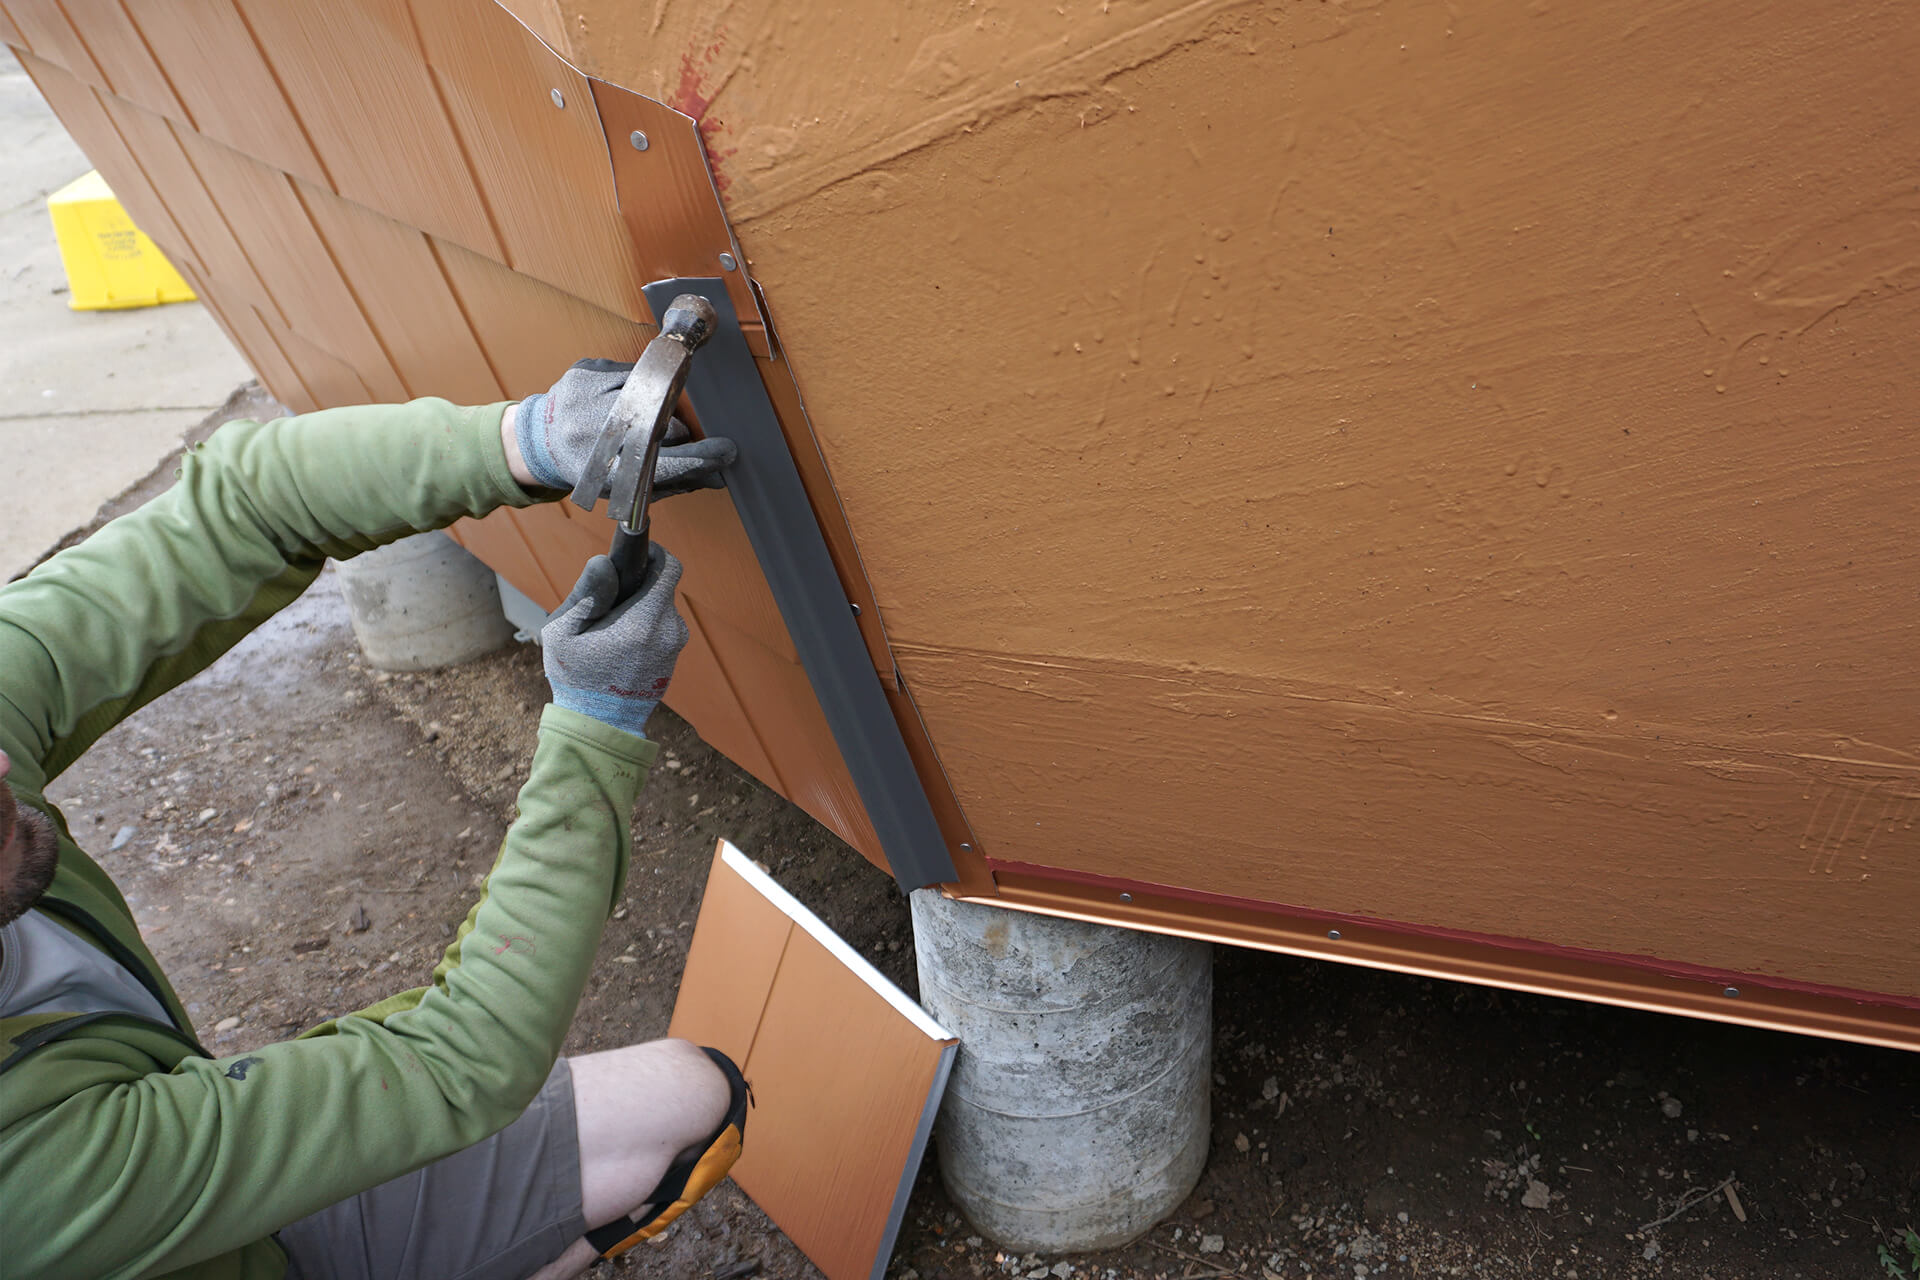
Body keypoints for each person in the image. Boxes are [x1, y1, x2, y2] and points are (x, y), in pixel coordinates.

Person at [0, 361, 747, 1280]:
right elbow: (464, 1057)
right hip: (161, 1210)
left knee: (682, 1100)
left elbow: (246, 509)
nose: (4, 764)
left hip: (224, 1202)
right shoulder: (27, 1190)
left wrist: (525, 440)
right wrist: (600, 722)